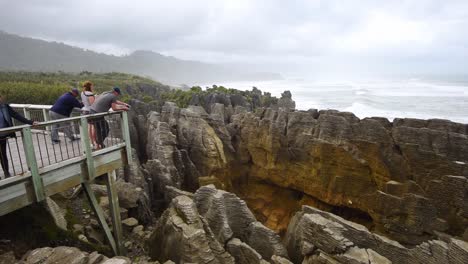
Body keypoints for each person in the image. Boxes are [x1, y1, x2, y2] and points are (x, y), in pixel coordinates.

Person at [0, 95, 37, 178]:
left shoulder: (5, 107)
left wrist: (30, 122)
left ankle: (6, 172)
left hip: (2, 135)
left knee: (3, 154)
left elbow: (16, 115)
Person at [81, 81, 97, 147]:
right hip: (90, 111)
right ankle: (94, 142)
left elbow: (84, 101)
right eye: (91, 85)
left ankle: (91, 142)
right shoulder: (90, 93)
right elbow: (92, 103)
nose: (92, 86)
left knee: (89, 127)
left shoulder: (82, 93)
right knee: (93, 127)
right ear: (89, 86)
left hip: (84, 110)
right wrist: (95, 98)